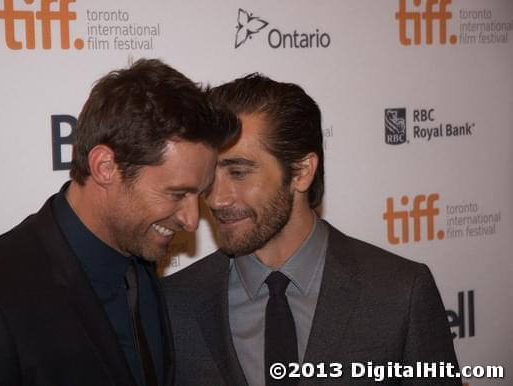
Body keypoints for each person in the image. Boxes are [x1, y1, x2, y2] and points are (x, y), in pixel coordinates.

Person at [0, 59, 238, 386]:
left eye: (199, 194)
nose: (192, 220)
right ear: (106, 167)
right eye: (177, 193)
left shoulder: (139, 259)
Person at [162, 74, 460, 385]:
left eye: (238, 172)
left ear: (301, 172)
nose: (216, 198)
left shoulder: (400, 293)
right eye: (210, 176)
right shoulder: (174, 304)